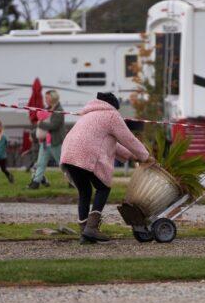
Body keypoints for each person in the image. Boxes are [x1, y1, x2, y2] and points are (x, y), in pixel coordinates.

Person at [60, 92, 152, 243]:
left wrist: (131, 156)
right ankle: (92, 228)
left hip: (68, 155)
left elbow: (112, 144)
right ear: (114, 106)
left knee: (85, 191)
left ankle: (84, 232)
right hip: (85, 155)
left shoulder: (88, 114)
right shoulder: (111, 115)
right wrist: (145, 157)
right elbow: (129, 139)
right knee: (103, 187)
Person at [27, 89, 65, 189]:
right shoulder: (47, 109)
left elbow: (54, 126)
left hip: (56, 142)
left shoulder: (59, 109)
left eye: (47, 97)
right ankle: (35, 183)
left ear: (53, 98)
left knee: (63, 165)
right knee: (40, 164)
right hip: (45, 143)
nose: (45, 100)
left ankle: (73, 182)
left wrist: (41, 124)